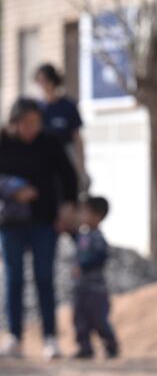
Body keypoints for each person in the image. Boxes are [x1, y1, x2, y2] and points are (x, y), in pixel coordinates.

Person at [0, 98, 78, 360]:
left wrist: (66, 208)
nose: (32, 128)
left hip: (45, 222)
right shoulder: (3, 142)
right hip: (10, 223)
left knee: (45, 279)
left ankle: (50, 338)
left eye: (36, 123)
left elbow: (69, 177)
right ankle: (14, 336)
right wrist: (14, 191)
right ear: (14, 122)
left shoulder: (49, 142)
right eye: (26, 124)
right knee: (14, 279)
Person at [70, 196, 119, 360]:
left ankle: (111, 345)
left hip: (96, 289)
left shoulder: (97, 237)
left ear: (97, 216)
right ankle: (84, 348)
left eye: (85, 212)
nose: (81, 215)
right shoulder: (82, 235)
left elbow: (100, 256)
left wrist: (83, 265)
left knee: (99, 319)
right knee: (79, 319)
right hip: (80, 287)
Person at [35, 64, 88, 194]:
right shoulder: (37, 109)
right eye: (39, 81)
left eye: (45, 81)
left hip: (66, 153)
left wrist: (81, 167)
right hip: (44, 156)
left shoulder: (68, 106)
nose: (43, 85)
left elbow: (77, 137)